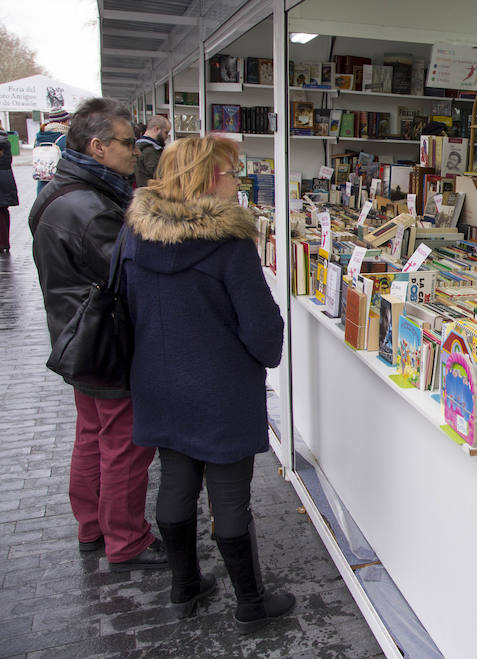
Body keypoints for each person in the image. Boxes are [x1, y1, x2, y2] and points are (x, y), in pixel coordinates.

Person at [122, 135, 294, 628]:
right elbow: (261, 329)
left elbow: (125, 302)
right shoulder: (229, 244)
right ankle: (251, 602)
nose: (237, 183)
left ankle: (184, 589)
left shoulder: (135, 233)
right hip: (221, 388)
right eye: (231, 174)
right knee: (229, 495)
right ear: (205, 178)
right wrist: (267, 353)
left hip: (158, 380)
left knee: (175, 479)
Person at [29, 97, 166, 571]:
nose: (137, 151)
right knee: (124, 443)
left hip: (76, 336)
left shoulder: (61, 191)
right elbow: (130, 278)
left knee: (91, 435)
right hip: (105, 340)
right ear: (98, 147)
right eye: (128, 143)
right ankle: (126, 540)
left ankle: (92, 527)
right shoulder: (92, 209)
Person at [33, 108, 71, 193]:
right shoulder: (64, 139)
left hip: (42, 184)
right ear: (62, 122)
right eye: (68, 121)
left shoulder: (39, 137)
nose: (69, 123)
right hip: (60, 186)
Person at [134, 115, 171, 187]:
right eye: (166, 132)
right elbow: (160, 176)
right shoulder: (150, 151)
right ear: (157, 129)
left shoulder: (140, 146)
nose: (166, 137)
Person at [0, 121, 18, 252]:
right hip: (6, 177)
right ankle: (4, 242)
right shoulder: (4, 138)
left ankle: (2, 243)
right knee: (3, 211)